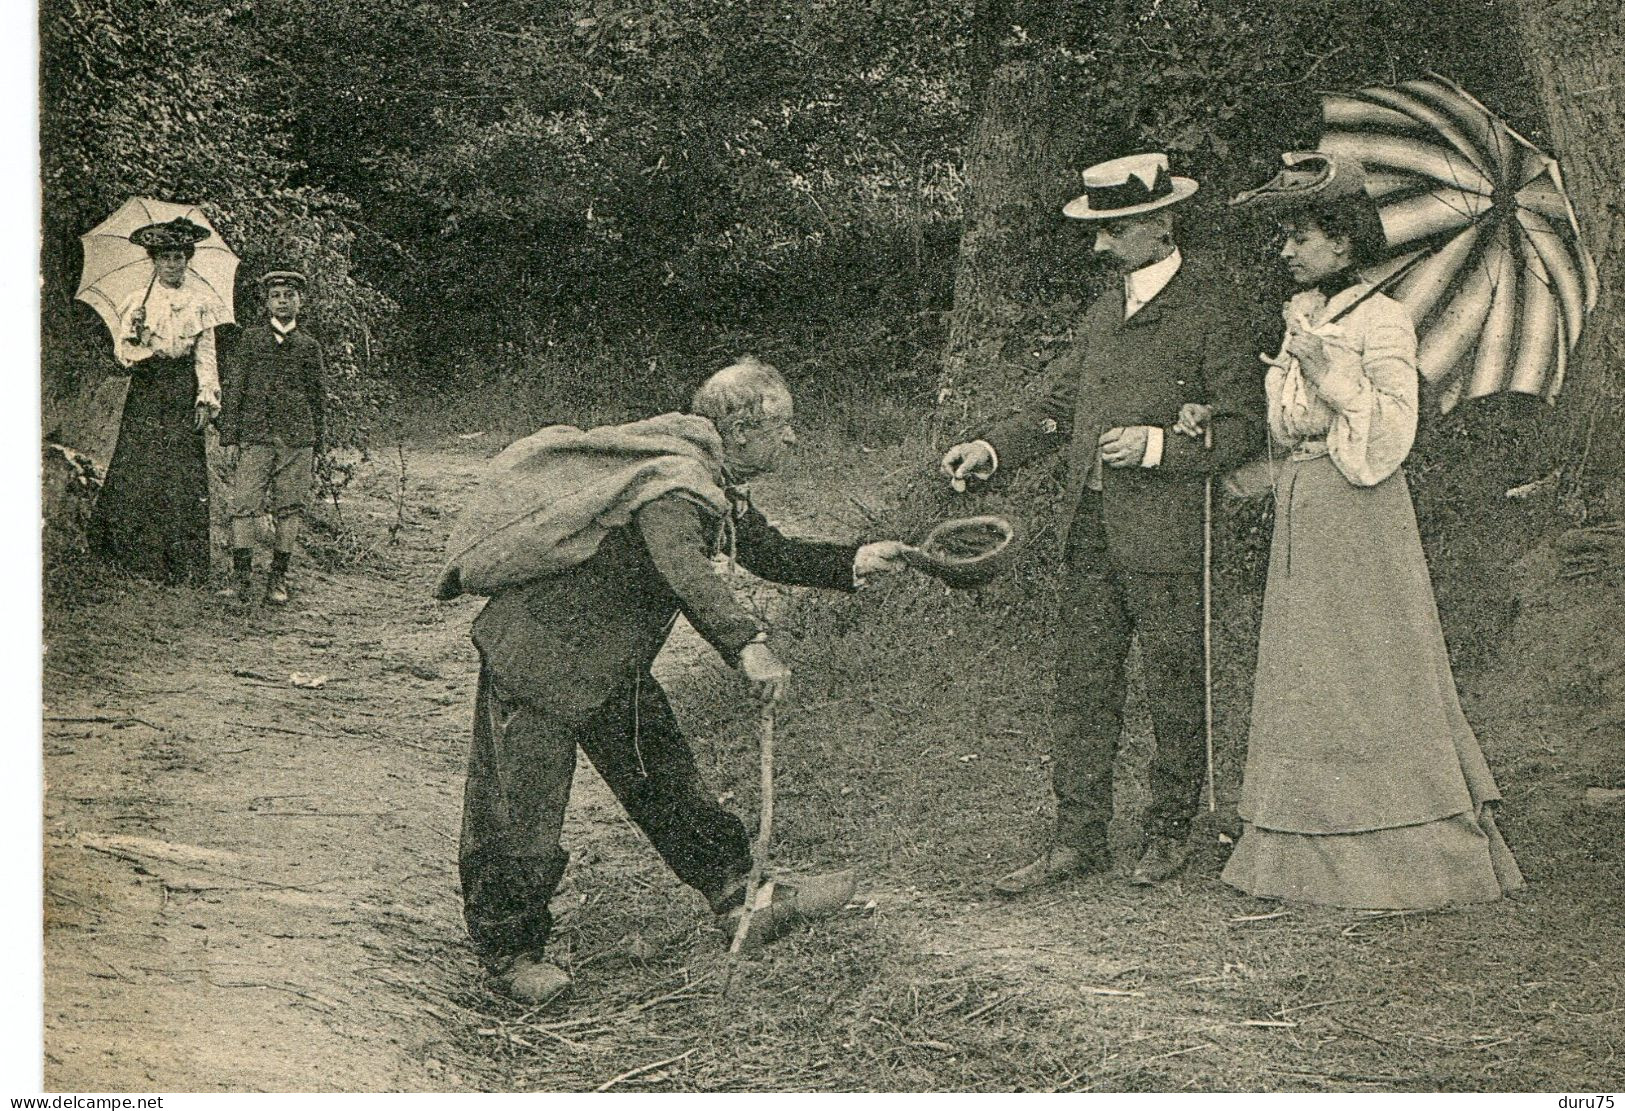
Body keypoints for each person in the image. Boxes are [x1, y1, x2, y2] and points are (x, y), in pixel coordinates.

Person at [440, 357, 913, 1006]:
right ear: (742, 430)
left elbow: (763, 547)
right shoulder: (677, 486)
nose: (794, 438)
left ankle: (744, 896)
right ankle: (508, 956)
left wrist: (852, 560)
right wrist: (747, 645)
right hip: (540, 662)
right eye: (784, 426)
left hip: (607, 666)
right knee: (519, 816)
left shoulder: (703, 478)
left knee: (666, 778)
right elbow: (684, 569)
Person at [940, 152, 1264, 892]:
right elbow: (1056, 407)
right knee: (1083, 682)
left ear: (1157, 224)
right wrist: (992, 447)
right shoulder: (1105, 307)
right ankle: (1076, 835)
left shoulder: (1211, 306)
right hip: (1090, 530)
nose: (1098, 246)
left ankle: (1168, 825)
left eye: (1111, 231)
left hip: (1169, 531)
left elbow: (1243, 426)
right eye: (1096, 231)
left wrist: (1154, 445)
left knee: (1172, 679)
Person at [1217, 151, 1523, 909]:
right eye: (1284, 236)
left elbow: (1390, 436)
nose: (1285, 249)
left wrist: (1333, 377)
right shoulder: (1304, 316)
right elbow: (1290, 426)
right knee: (1309, 669)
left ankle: (1397, 846)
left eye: (1300, 236)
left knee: (1365, 664)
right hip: (1304, 506)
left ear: (1344, 244)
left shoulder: (1383, 319)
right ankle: (1301, 843)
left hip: (1360, 512)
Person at [88, 217, 223, 584]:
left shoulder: (200, 304)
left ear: (187, 260)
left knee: (180, 472)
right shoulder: (137, 301)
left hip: (181, 388)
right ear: (154, 261)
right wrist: (136, 336)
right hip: (148, 387)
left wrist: (204, 397)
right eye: (164, 258)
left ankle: (184, 565)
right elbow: (123, 355)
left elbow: (205, 356)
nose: (172, 265)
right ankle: (136, 558)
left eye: (178, 257)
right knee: (141, 464)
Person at [218, 269, 326, 606]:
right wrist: (230, 436)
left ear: (300, 301)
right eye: (276, 295)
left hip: (296, 438)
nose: (283, 301)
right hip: (255, 434)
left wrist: (317, 442)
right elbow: (234, 388)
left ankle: (278, 578)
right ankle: (241, 578)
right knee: (243, 505)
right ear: (266, 302)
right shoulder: (249, 340)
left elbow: (317, 396)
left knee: (289, 509)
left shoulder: (309, 346)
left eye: (289, 295)